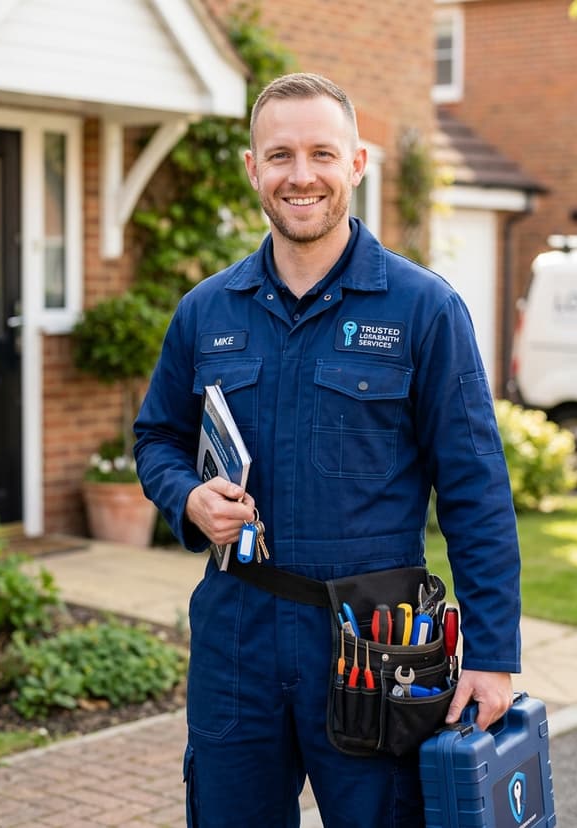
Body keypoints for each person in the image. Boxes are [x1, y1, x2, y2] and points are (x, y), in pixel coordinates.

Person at [134, 72, 521, 827]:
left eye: (321, 153)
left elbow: (475, 489)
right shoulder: (206, 311)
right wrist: (186, 495)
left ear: (357, 164)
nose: (300, 175)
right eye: (279, 155)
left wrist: (492, 653)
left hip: (375, 644)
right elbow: (157, 437)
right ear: (253, 169)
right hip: (237, 634)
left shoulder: (423, 310)